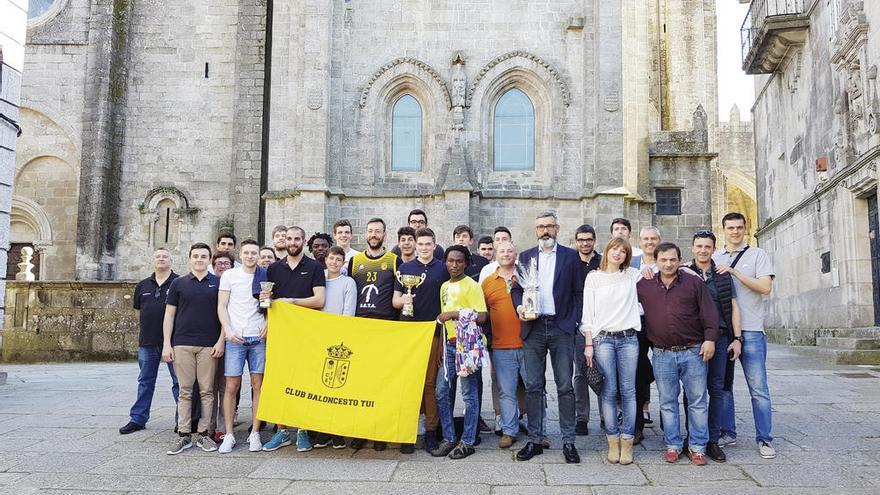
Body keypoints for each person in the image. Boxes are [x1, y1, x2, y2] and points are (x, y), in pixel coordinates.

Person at [637, 242, 720, 466]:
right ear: (655, 261)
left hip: (693, 351)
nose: (668, 264)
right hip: (662, 354)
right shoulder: (644, 285)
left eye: (673, 259)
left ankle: (697, 447)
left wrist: (710, 339)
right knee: (667, 402)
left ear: (680, 259)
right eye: (663, 260)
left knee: (697, 401)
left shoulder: (694, 282)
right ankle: (673, 445)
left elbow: (709, 314)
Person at [512, 211, 582, 464]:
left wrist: (573, 322)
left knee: (565, 386)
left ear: (557, 228)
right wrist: (520, 307)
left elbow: (578, 292)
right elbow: (517, 290)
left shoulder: (571, 257)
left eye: (549, 226)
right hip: (533, 328)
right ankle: (534, 439)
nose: (545, 231)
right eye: (541, 227)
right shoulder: (526, 256)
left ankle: (568, 441)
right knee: (533, 385)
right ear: (536, 230)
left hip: (561, 327)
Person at [712, 212, 776, 459]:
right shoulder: (715, 256)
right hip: (725, 332)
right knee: (724, 387)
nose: (735, 232)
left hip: (751, 329)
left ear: (746, 229)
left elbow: (765, 287)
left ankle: (765, 439)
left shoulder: (757, 255)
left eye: (739, 227)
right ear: (724, 230)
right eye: (730, 228)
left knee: (758, 388)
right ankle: (728, 432)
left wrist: (735, 273)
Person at [259, 226, 327, 452]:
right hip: (281, 333)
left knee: (305, 380)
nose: (293, 242)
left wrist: (292, 302)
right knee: (279, 380)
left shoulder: (315, 266)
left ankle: (303, 431)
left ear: (303, 241)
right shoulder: (274, 269)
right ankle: (282, 431)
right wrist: (267, 313)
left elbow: (319, 300)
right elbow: (269, 303)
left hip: (307, 332)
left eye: (297, 238)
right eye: (289, 238)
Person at [581, 237, 641, 465]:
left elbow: (658, 270)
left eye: (623, 251)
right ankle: (612, 440)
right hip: (603, 340)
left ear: (627, 256)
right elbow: (588, 314)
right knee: (608, 391)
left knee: (628, 391)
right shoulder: (593, 278)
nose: (618, 254)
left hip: (628, 339)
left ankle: (627, 441)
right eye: (614, 249)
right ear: (607, 251)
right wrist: (588, 345)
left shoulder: (632, 276)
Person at [162, 243, 224, 455]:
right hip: (182, 344)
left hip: (209, 344)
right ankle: (184, 434)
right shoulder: (178, 284)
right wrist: (167, 344)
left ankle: (204, 434)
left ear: (209, 259)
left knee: (207, 391)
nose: (199, 259)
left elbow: (225, 314)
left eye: (203, 256)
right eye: (195, 256)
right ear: (190, 258)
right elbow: (169, 315)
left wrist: (221, 341)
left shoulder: (218, 283)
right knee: (185, 391)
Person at [687, 230, 743, 462]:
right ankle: (693, 438)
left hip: (720, 338)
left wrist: (737, 339)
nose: (702, 250)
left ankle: (712, 440)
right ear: (693, 248)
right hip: (693, 340)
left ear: (713, 248)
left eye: (707, 246)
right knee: (692, 392)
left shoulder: (722, 274)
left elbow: (733, 307)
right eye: (699, 246)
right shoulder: (684, 273)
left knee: (717, 389)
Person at [392, 228, 449, 453]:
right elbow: (395, 301)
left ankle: (431, 431)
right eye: (421, 244)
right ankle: (407, 431)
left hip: (433, 331)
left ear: (434, 246)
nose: (424, 247)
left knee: (429, 383)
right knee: (408, 383)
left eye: (428, 244)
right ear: (415, 246)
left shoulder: (443, 269)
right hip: (409, 332)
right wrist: (404, 299)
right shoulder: (405, 268)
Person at [347, 217, 400, 451]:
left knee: (381, 382)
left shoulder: (394, 261)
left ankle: (380, 431)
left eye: (378, 231)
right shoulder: (354, 261)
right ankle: (360, 430)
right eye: (370, 231)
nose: (374, 234)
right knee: (360, 382)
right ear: (365, 234)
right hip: (360, 328)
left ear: (385, 235)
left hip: (385, 327)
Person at [432, 245, 488, 460]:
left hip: (468, 347)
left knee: (468, 394)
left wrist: (454, 314)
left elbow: (482, 316)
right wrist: (441, 345)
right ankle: (448, 436)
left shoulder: (472, 286)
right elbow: (443, 322)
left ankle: (468, 440)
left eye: (459, 261)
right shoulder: (444, 286)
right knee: (442, 392)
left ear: (466, 263)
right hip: (449, 345)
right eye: (450, 261)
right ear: (445, 262)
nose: (454, 265)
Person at [120, 248, 180, 435]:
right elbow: (139, 313)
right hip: (147, 341)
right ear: (153, 260)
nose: (161, 259)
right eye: (158, 256)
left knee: (179, 382)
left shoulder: (179, 283)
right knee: (145, 381)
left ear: (171, 260)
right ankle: (138, 418)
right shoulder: (143, 285)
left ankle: (182, 421)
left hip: (174, 342)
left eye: (165, 256)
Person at [217, 240, 266, 454]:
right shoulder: (230, 276)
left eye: (254, 253)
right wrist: (227, 329)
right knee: (231, 386)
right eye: (246, 252)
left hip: (258, 337)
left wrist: (268, 324)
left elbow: (271, 305)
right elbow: (222, 305)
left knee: (258, 385)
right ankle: (229, 434)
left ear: (258, 255)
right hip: (235, 337)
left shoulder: (265, 275)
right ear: (240, 254)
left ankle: (255, 433)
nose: (250, 256)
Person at [311, 245, 356, 450]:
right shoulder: (318, 278)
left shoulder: (348, 282)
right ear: (326, 260)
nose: (334, 263)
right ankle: (321, 431)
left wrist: (341, 335)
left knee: (337, 386)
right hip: (318, 335)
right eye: (331, 259)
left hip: (338, 339)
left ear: (343, 262)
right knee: (319, 386)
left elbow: (348, 311)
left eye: (338, 260)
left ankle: (337, 432)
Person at [481, 240, 525, 449]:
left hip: (528, 344)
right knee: (506, 391)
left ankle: (539, 430)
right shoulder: (488, 282)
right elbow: (484, 315)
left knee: (535, 389)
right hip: (501, 346)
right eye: (502, 251)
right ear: (496, 255)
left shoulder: (526, 278)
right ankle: (509, 431)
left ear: (515, 254)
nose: (506, 254)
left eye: (510, 250)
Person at [633, 226, 662, 442]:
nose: (649, 242)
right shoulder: (632, 264)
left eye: (653, 239)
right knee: (638, 373)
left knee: (665, 371)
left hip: (662, 323)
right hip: (638, 323)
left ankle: (670, 423)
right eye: (645, 239)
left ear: (658, 240)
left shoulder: (668, 261)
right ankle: (637, 426)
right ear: (640, 241)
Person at [572, 224, 601, 436]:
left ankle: (605, 416)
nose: (585, 243)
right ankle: (581, 417)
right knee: (581, 372)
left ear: (594, 241)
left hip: (602, 324)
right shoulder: (570, 262)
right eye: (581, 239)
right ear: (576, 241)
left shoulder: (604, 262)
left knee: (603, 371)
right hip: (577, 326)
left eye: (588, 239)